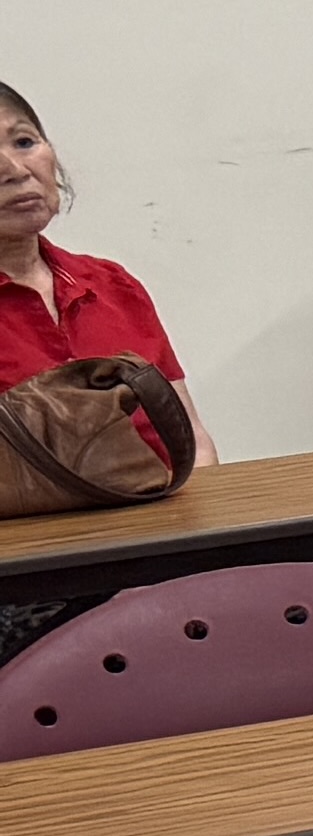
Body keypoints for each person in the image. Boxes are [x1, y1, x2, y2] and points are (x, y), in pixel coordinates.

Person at [0, 82, 205, 668]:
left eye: (24, 141)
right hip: (29, 583)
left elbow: (191, 438)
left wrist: (201, 546)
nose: (14, 169)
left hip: (156, 556)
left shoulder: (111, 284)